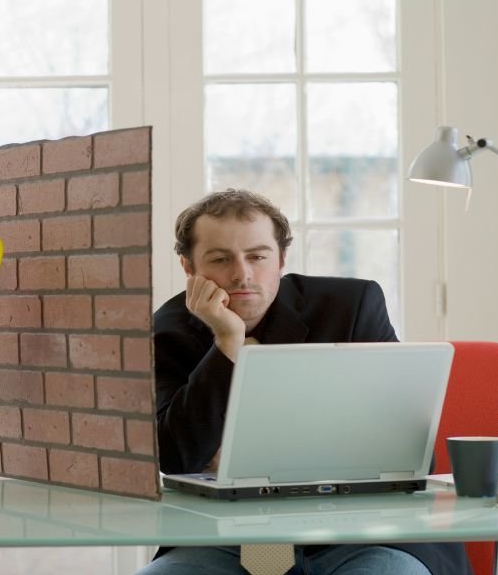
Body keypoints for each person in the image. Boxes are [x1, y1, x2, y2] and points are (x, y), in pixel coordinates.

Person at [138, 189, 471, 575]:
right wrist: (228, 344)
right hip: (227, 538)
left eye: (257, 256)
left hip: (364, 533)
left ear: (281, 260)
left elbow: (405, 450)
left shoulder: (351, 306)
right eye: (220, 258)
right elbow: (177, 457)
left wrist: (230, 450)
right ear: (188, 267)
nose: (241, 273)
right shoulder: (167, 332)